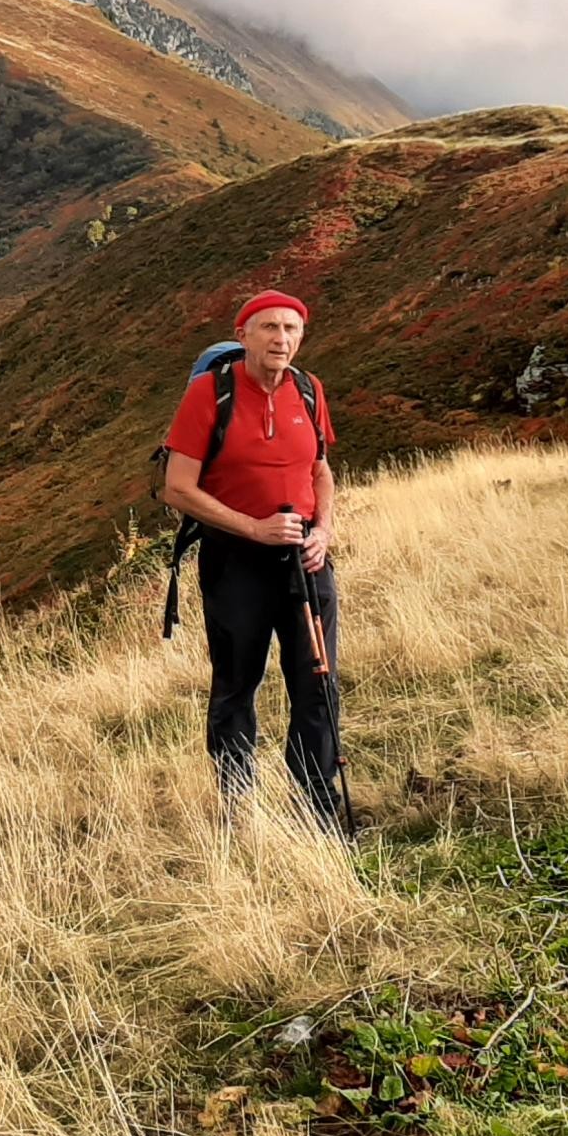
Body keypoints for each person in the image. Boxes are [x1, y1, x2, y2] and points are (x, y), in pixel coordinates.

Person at [158, 289, 343, 825]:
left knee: (317, 682)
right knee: (237, 684)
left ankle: (316, 809)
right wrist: (254, 529)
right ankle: (237, 807)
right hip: (235, 562)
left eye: (291, 328)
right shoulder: (209, 395)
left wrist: (324, 531)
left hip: (305, 560)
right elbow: (177, 488)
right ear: (243, 336)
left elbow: (320, 470)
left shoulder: (309, 390)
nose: (281, 339)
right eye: (268, 328)